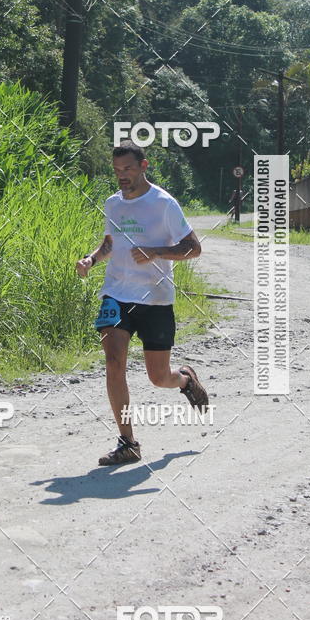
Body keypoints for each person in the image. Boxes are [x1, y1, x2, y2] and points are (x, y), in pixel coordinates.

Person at [76, 140, 209, 466]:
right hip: (116, 295)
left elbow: (193, 247)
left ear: (144, 166)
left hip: (156, 300)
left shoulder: (164, 203)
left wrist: (157, 252)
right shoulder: (113, 203)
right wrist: (91, 260)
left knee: (158, 377)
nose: (122, 175)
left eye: (128, 169)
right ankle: (128, 443)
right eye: (117, 170)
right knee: (113, 362)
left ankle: (185, 379)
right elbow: (110, 243)